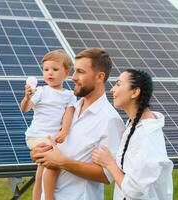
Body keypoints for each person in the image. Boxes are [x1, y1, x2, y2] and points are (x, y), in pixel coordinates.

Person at [33, 48, 125, 200]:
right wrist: (39, 153)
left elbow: (107, 175)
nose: (73, 77)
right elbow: (52, 151)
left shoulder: (110, 120)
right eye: (74, 71)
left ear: (99, 77)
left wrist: (61, 162)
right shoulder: (69, 108)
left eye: (80, 72)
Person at [92, 69, 173, 200]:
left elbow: (135, 190)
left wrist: (109, 163)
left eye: (118, 84)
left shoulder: (147, 135)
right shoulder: (133, 126)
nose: (112, 89)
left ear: (135, 92)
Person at [20, 49, 77, 200]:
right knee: (54, 164)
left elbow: (69, 114)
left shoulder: (69, 95)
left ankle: (37, 197)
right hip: (36, 136)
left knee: (41, 172)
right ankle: (49, 197)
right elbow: (25, 109)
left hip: (50, 137)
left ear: (66, 72)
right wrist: (27, 97)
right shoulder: (40, 91)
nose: (49, 73)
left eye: (55, 69)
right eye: (46, 70)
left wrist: (64, 132)